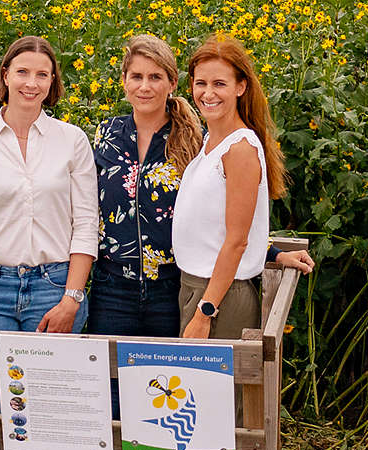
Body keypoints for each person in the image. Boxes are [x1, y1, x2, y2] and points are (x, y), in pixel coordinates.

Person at [0, 35, 97, 334]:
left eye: (42, 75)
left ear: (51, 81)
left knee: (51, 381)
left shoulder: (72, 140)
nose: (31, 83)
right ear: (5, 75)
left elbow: (85, 224)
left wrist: (71, 300)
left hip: (55, 288)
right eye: (22, 72)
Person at [174, 34, 314, 340]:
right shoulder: (211, 141)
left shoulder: (240, 149)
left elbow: (236, 241)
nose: (208, 93)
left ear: (241, 87)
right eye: (201, 83)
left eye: (219, 84)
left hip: (218, 297)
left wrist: (205, 311)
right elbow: (217, 227)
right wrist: (273, 253)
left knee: (214, 389)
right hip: (198, 287)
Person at [88, 34, 203, 338]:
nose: (145, 86)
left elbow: (219, 208)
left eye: (155, 77)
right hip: (111, 289)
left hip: (172, 291)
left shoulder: (194, 140)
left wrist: (270, 252)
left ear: (172, 83)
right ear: (124, 80)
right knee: (111, 384)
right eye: (136, 76)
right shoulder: (107, 133)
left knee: (166, 382)